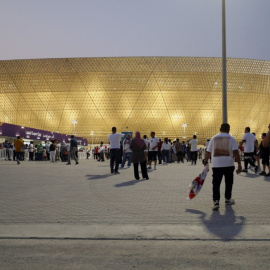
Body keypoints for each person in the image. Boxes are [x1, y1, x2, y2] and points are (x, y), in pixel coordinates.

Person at [204, 123, 242, 210]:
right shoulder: (232, 138)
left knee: (216, 183)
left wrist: (206, 161)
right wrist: (239, 164)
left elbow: (208, 152)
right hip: (228, 164)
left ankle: (216, 201)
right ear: (229, 129)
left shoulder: (214, 138)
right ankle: (228, 199)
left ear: (220, 129)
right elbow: (235, 152)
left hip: (216, 165)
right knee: (229, 182)